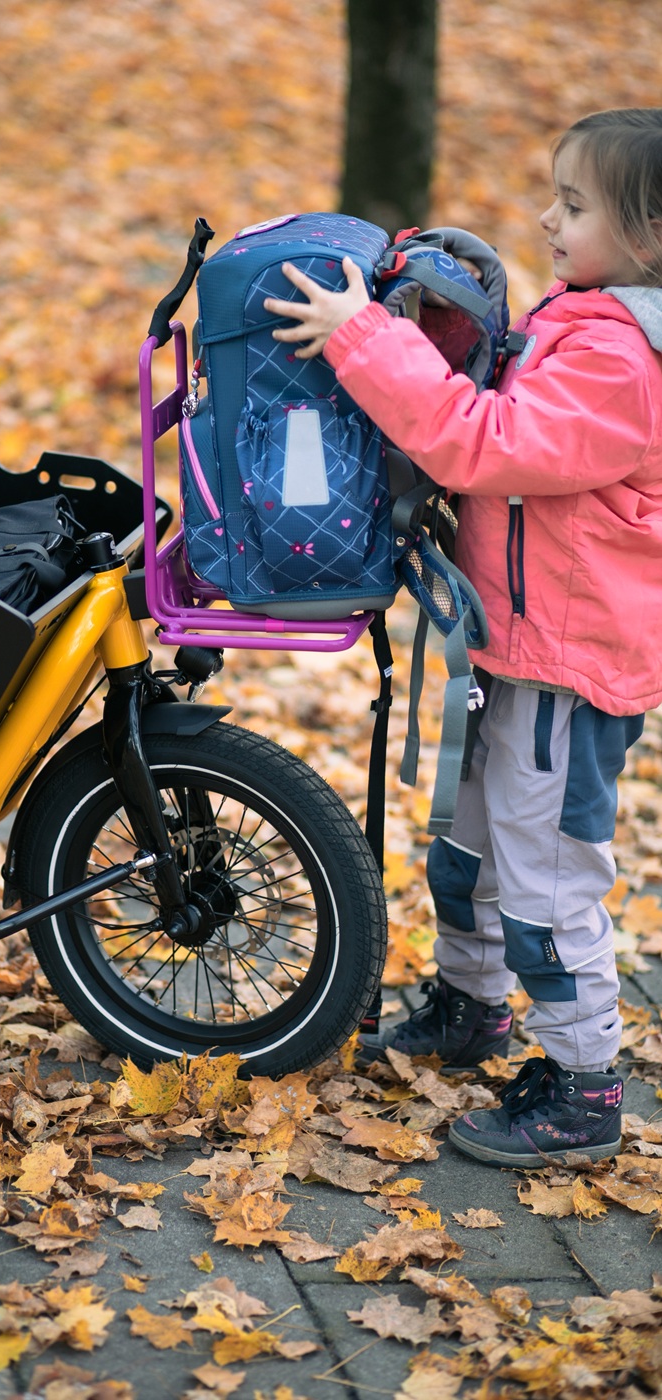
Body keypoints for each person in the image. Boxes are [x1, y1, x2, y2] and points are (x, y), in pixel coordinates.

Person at [264, 108, 662, 1168]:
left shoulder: (623, 362)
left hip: (566, 670)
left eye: (574, 206)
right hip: (512, 642)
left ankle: (584, 1085)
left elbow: (483, 442)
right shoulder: (582, 318)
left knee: (547, 882)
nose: (548, 221)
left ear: (650, 236)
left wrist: (364, 338)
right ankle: (472, 1007)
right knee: (468, 852)